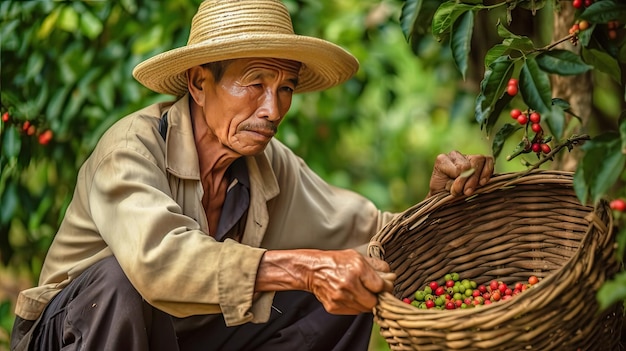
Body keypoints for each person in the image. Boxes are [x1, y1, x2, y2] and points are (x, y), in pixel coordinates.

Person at [10, 0, 494, 350]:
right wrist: (303, 269)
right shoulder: (131, 147)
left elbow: (371, 233)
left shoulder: (265, 161)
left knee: (336, 289)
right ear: (200, 83)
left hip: (182, 338)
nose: (273, 108)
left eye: (285, 88)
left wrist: (439, 204)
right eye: (255, 83)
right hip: (73, 333)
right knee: (119, 282)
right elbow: (157, 263)